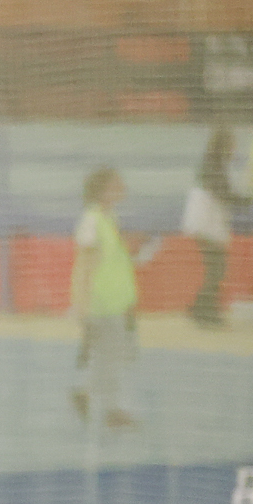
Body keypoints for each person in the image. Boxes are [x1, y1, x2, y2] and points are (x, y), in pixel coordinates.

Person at [72, 168, 150, 429]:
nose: (123, 187)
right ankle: (109, 409)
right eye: (117, 184)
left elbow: (114, 262)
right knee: (110, 358)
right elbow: (85, 265)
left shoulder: (109, 218)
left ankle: (87, 395)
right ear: (103, 190)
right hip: (100, 305)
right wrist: (82, 306)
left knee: (110, 357)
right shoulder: (93, 221)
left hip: (115, 302)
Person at [182, 129, 235, 329]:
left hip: (205, 221)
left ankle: (200, 307)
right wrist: (247, 201)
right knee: (217, 268)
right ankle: (204, 311)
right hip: (207, 223)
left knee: (215, 267)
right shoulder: (214, 165)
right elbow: (223, 192)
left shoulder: (212, 163)